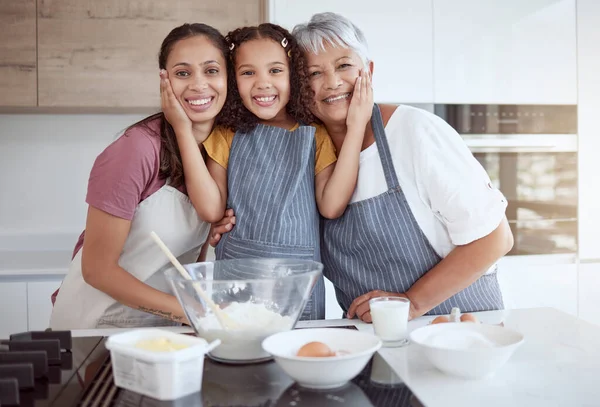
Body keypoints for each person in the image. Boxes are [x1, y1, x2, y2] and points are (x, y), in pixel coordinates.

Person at [211, 13, 514, 323]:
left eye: (344, 66)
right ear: (301, 85)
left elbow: (494, 239)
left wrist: (412, 302)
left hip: (458, 328)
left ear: (368, 70)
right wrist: (230, 223)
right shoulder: (307, 151)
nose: (332, 82)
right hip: (369, 339)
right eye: (315, 73)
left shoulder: (414, 131)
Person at [161, 23, 373, 320]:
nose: (263, 83)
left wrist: (356, 127)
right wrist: (182, 128)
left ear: (294, 75)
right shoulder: (227, 134)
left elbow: (332, 205)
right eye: (248, 73)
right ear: (234, 81)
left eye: (275, 71)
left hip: (296, 286)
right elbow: (211, 210)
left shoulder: (315, 136)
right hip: (236, 282)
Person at [49, 23, 229, 329]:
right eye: (183, 73)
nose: (199, 85)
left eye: (211, 71)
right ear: (164, 80)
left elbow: (188, 260)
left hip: (158, 325)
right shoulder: (136, 150)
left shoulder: (219, 153)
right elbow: (97, 269)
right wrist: (187, 311)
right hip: (94, 325)